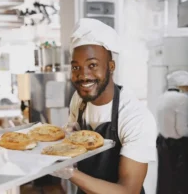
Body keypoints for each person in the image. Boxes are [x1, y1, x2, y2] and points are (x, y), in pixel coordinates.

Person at [50, 18, 157, 194]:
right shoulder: (79, 100)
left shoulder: (135, 117)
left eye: (92, 65)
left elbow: (128, 191)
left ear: (111, 66)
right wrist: (68, 137)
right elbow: (75, 140)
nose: (83, 75)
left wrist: (71, 173)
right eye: (76, 67)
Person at [156, 70, 188, 194]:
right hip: (177, 145)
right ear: (181, 86)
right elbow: (182, 129)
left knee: (165, 177)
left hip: (162, 141)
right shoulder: (182, 99)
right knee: (180, 179)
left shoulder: (162, 97)